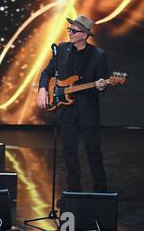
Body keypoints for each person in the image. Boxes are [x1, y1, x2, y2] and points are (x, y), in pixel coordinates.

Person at [37, 15, 109, 192]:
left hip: (87, 110)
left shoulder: (98, 55)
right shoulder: (62, 49)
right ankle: (73, 191)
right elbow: (47, 72)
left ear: (84, 35)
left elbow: (103, 85)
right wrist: (42, 89)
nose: (70, 32)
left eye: (74, 30)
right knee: (69, 151)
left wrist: (100, 86)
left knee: (93, 152)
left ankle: (101, 192)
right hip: (65, 110)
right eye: (70, 29)